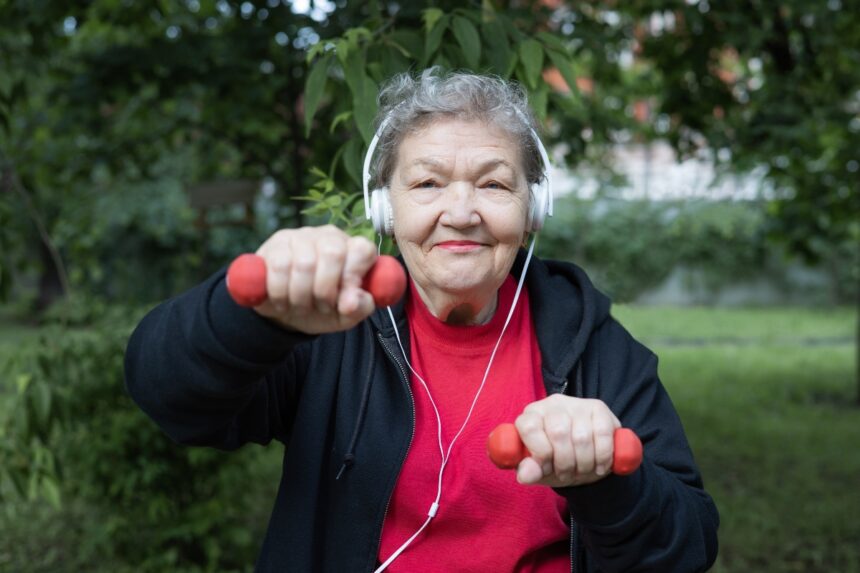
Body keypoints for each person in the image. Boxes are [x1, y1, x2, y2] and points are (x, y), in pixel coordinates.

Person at [125, 69, 719, 572]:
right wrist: (252, 319)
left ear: (532, 211)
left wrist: (606, 481)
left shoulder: (597, 348)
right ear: (386, 208)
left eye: (493, 184)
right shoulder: (333, 324)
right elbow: (167, 395)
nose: (460, 213)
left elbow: (687, 548)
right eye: (428, 183)